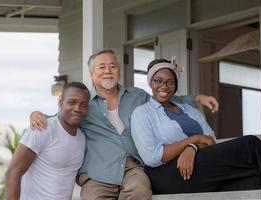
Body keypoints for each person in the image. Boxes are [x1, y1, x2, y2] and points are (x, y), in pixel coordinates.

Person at [30, 49, 219, 200]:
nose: (108, 71)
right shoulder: (83, 104)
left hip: (134, 167)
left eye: (112, 66)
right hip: (99, 171)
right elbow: (62, 117)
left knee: (140, 191)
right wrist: (37, 115)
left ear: (119, 71)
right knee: (93, 197)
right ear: (92, 74)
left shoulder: (137, 96)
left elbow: (165, 97)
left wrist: (198, 98)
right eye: (101, 67)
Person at [131, 58, 261, 194]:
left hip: (198, 166)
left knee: (255, 179)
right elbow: (153, 157)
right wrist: (193, 140)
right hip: (167, 174)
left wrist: (193, 148)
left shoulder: (190, 110)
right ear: (150, 82)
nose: (164, 86)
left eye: (170, 82)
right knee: (250, 144)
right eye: (158, 81)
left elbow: (210, 141)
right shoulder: (142, 113)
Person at [5, 82, 90, 200]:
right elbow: (13, 173)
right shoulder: (42, 129)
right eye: (72, 102)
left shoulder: (82, 138)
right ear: (61, 103)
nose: (77, 108)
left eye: (83, 104)